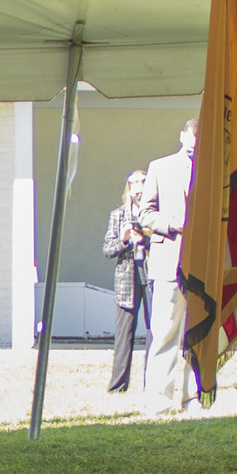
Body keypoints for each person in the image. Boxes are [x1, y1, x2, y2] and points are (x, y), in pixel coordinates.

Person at [142, 121, 196, 411]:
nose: (196, 141)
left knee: (198, 332)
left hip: (201, 262)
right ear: (183, 135)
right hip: (169, 260)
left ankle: (194, 396)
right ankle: (158, 399)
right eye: (193, 135)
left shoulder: (215, 170)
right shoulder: (160, 167)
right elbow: (146, 213)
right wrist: (171, 224)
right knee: (164, 331)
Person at [104, 166, 149, 394]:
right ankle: (118, 385)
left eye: (142, 184)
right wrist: (123, 240)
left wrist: (146, 239)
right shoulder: (118, 215)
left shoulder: (153, 214)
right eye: (134, 185)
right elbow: (107, 249)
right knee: (124, 333)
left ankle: (152, 383)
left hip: (150, 274)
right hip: (127, 278)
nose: (138, 190)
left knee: (154, 330)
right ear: (129, 189)